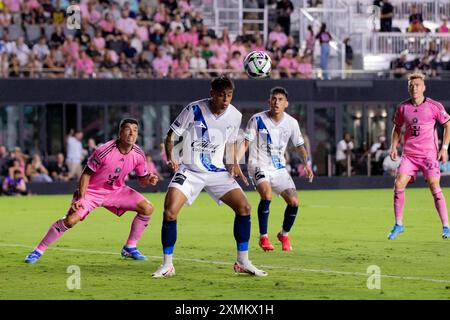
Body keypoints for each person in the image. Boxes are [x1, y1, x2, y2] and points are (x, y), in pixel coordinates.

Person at [152, 75, 267, 278]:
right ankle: (167, 265)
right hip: (190, 170)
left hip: (216, 172)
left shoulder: (235, 115)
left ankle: (242, 262)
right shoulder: (193, 109)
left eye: (229, 95)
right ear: (212, 93)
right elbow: (171, 135)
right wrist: (171, 157)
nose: (225, 100)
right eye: (221, 95)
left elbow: (231, 144)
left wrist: (234, 164)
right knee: (170, 212)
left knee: (244, 208)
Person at [24, 119, 159, 264]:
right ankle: (37, 251)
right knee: (70, 221)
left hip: (116, 191)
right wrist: (81, 199)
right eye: (127, 129)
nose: (132, 133)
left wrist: (149, 179)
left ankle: (130, 247)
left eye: (135, 130)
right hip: (91, 192)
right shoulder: (104, 151)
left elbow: (142, 180)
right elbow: (85, 174)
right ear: (120, 132)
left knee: (147, 208)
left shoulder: (138, 154)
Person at [242, 87, 314, 252]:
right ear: (269, 101)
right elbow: (245, 143)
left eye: (280, 99)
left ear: (286, 103)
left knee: (294, 202)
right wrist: (236, 162)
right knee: (266, 195)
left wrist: (306, 164)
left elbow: (299, 146)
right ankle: (264, 237)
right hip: (258, 164)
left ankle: (284, 234)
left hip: (279, 167)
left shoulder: (291, 123)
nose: (276, 102)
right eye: (274, 99)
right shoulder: (257, 119)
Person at [388, 72, 450, 240]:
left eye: (417, 85)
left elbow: (447, 126)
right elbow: (397, 128)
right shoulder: (403, 108)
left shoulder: (434, 106)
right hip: (409, 155)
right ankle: (398, 224)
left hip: (429, 155)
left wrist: (444, 148)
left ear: (424, 87)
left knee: (434, 185)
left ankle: (446, 226)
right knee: (399, 183)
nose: (414, 88)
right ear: (408, 88)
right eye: (411, 85)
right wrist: (393, 146)